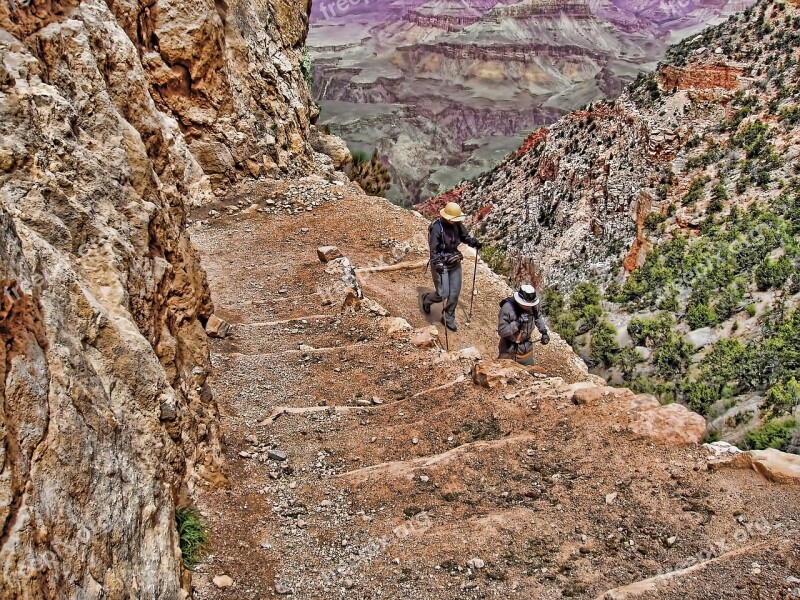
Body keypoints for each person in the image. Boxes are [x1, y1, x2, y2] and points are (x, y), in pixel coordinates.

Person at [421, 202, 482, 332]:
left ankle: (448, 316)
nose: (455, 221)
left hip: (454, 261)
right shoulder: (437, 228)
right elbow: (433, 250)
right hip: (440, 263)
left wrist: (473, 242)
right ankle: (426, 299)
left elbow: (465, 237)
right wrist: (436, 263)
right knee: (443, 293)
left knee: (454, 292)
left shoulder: (457, 225)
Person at [497, 285, 550, 366]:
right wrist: (517, 323)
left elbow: (538, 317)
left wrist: (544, 332)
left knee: (529, 376)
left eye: (531, 305)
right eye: (527, 304)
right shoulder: (507, 308)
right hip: (508, 350)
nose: (529, 307)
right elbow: (502, 331)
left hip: (526, 349)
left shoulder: (534, 305)